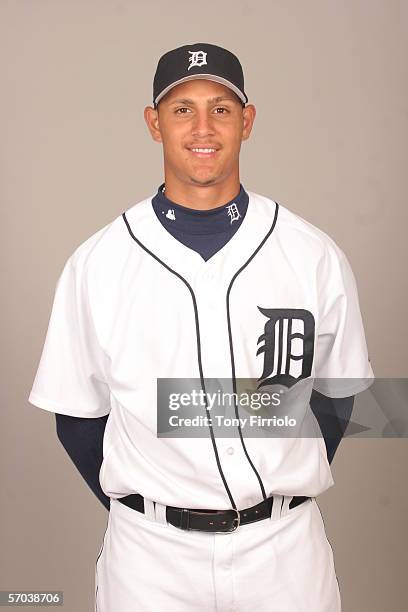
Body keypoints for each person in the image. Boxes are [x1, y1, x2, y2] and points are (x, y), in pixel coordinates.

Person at [28, 42, 374, 611]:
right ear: (154, 123)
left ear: (248, 120)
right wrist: (148, 509)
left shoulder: (312, 254)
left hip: (284, 550)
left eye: (221, 107)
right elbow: (77, 420)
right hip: (149, 559)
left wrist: (273, 484)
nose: (203, 126)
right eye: (182, 109)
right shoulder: (100, 261)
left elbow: (337, 400)